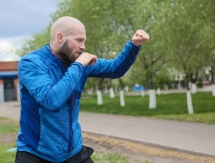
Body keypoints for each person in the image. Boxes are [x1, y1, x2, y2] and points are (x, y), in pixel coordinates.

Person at [15, 16, 149, 163]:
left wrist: (133, 45)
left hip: (73, 152)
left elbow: (114, 69)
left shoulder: (78, 61)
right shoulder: (32, 63)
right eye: (79, 40)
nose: (83, 46)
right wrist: (79, 66)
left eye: (84, 41)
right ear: (60, 37)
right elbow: (51, 100)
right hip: (36, 154)